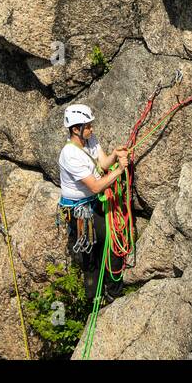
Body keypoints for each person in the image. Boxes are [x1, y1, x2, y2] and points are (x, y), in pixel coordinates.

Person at [57, 104, 128, 295]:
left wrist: (114, 154)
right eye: (87, 126)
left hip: (93, 202)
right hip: (79, 210)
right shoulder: (69, 154)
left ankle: (112, 291)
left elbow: (103, 163)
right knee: (91, 252)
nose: (91, 129)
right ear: (75, 129)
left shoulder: (90, 140)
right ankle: (95, 296)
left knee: (109, 242)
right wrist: (120, 170)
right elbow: (96, 186)